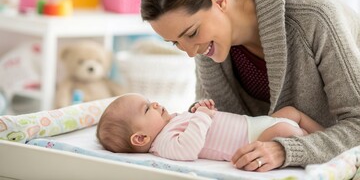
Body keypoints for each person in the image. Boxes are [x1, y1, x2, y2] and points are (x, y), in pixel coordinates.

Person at [140, 0, 360, 172]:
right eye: (175, 43)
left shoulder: (313, 16)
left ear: (219, 0)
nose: (189, 52)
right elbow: (215, 131)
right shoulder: (211, 49)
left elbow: (357, 124)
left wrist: (286, 150)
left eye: (191, 33)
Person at [96, 93, 323, 168]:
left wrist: (197, 109)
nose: (155, 104)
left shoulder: (169, 122)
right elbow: (188, 149)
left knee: (292, 113)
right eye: (147, 109)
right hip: (255, 138)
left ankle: (327, 135)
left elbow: (194, 122)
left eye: (150, 101)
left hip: (255, 122)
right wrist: (202, 117)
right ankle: (323, 150)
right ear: (141, 138)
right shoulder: (162, 144)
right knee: (287, 131)